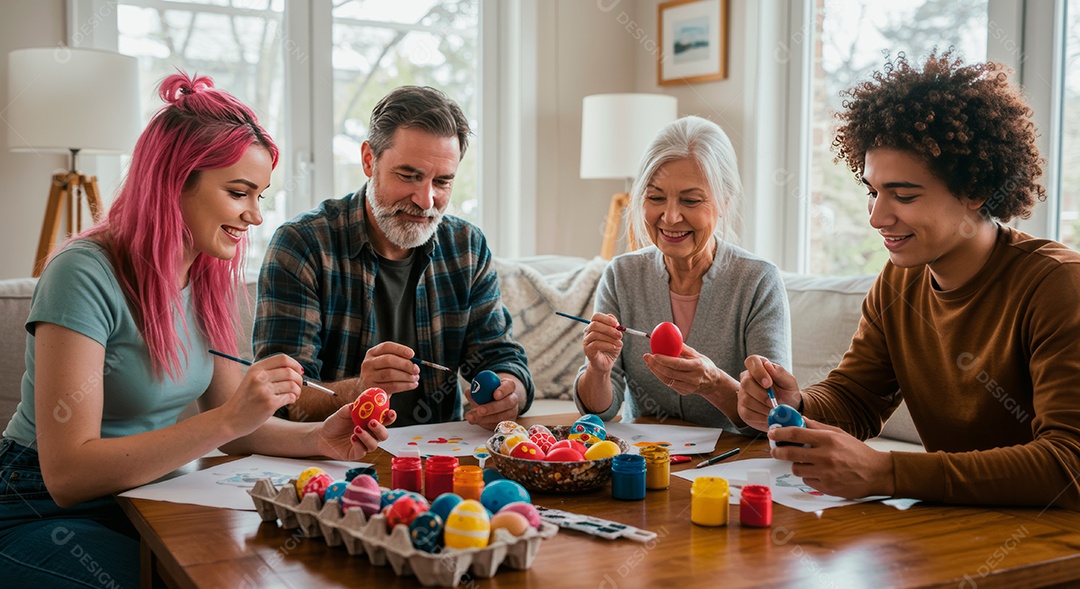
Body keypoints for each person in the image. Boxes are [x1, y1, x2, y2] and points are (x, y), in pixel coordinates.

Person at [0, 73, 396, 587]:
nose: (255, 215)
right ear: (173, 181)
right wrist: (229, 420)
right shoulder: (84, 273)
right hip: (38, 507)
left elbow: (237, 426)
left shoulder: (207, 272)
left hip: (146, 497)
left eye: (259, 195)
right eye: (239, 192)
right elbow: (68, 474)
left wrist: (320, 437)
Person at [739, 51, 1080, 509]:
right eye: (873, 191)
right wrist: (797, 404)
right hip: (956, 524)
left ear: (975, 190)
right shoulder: (900, 283)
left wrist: (887, 472)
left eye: (903, 194)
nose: (878, 216)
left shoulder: (1058, 286)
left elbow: (1068, 465)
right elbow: (857, 397)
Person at [254, 86, 533, 430]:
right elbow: (280, 400)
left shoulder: (467, 247)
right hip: (332, 457)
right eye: (409, 176)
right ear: (369, 160)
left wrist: (510, 393)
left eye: (442, 181)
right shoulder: (302, 246)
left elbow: (500, 356)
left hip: (440, 457)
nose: (426, 200)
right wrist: (360, 389)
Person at [574, 116, 791, 431]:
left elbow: (775, 414)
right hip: (644, 460)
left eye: (690, 200)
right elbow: (602, 412)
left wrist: (713, 383)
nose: (671, 217)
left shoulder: (758, 281)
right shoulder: (622, 274)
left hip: (730, 465)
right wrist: (598, 369)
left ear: (724, 203)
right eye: (656, 197)